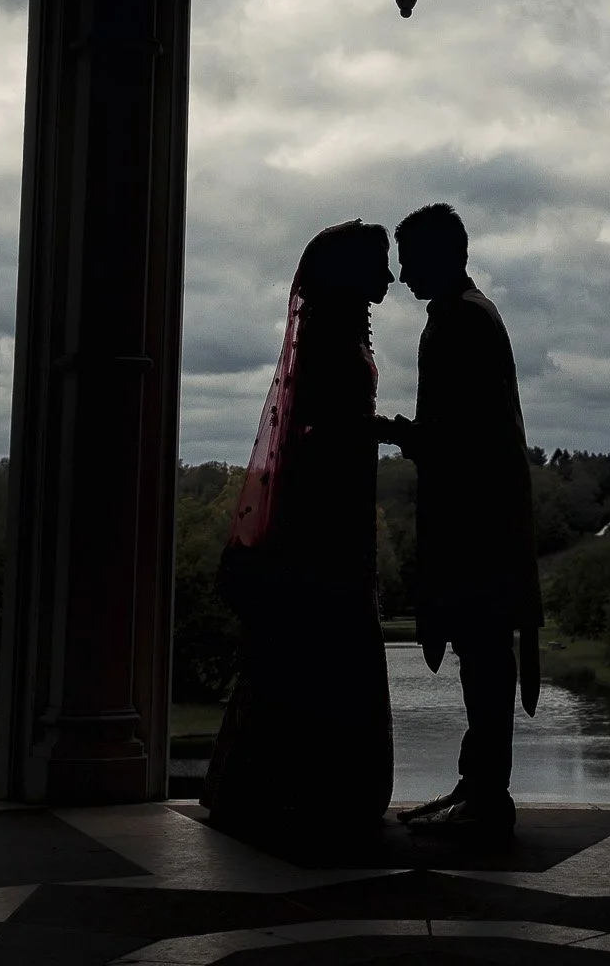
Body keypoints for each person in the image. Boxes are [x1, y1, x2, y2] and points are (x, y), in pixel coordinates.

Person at [203, 220, 395, 838]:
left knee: (315, 646)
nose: (388, 277)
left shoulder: (334, 335)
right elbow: (330, 430)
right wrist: (390, 432)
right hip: (324, 521)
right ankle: (313, 794)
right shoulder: (328, 341)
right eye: (378, 266)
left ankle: (304, 790)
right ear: (349, 274)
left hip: (337, 512)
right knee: (321, 641)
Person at [377, 203, 541, 842]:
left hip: (479, 527)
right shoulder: (465, 314)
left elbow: (463, 436)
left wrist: (393, 432)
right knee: (483, 656)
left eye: (411, 259)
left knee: (485, 656)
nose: (401, 274)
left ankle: (486, 795)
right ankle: (478, 786)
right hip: (483, 520)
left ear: (443, 257)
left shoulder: (460, 321)